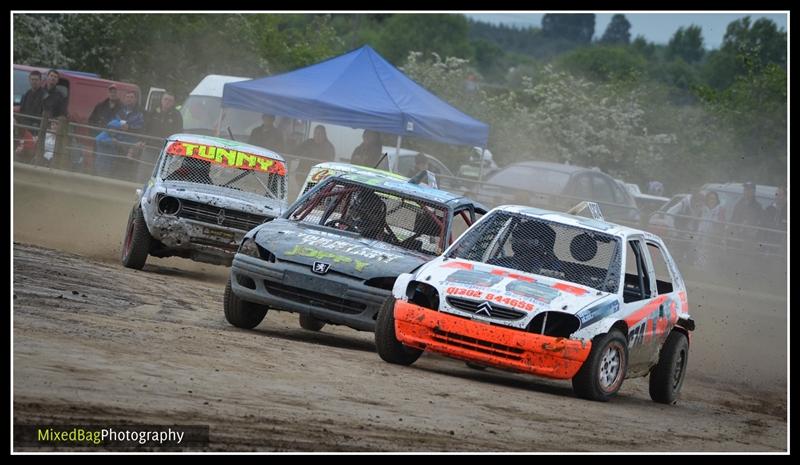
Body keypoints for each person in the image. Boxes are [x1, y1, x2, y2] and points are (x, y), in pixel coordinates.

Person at [94, 90, 144, 178]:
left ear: (136, 99)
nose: (129, 99)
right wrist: (118, 128)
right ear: (124, 99)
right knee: (113, 170)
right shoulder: (119, 111)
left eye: (132, 97)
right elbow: (111, 125)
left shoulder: (140, 113)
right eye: (127, 97)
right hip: (116, 145)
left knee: (126, 172)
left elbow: (141, 129)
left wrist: (129, 128)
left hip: (129, 146)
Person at [490, 220, 561, 275]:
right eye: (515, 241)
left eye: (527, 243)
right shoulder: (499, 264)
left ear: (543, 244)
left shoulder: (555, 269)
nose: (519, 245)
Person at [18, 70, 45, 134]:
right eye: (32, 79)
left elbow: (45, 115)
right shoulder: (26, 94)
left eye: (36, 80)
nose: (34, 82)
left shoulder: (45, 96)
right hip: (24, 128)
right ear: (29, 80)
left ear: (40, 81)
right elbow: (22, 111)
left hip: (37, 129)